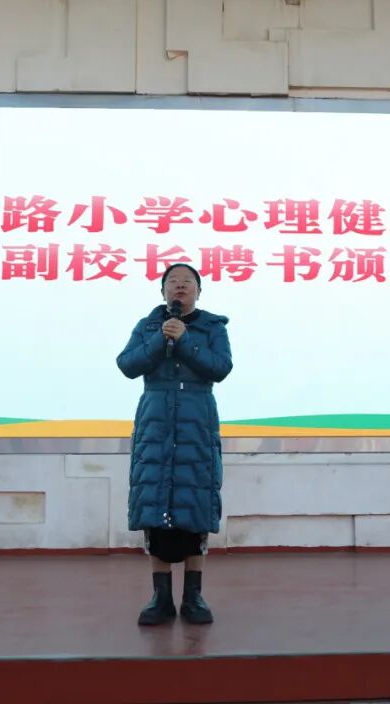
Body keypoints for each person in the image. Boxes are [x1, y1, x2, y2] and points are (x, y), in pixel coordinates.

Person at [116, 263, 233, 626]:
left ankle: (193, 596)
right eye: (172, 281)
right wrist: (159, 340)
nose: (179, 286)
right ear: (163, 290)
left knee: (195, 500)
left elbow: (220, 368)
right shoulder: (148, 325)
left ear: (199, 290)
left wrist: (186, 340)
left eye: (187, 282)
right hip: (156, 418)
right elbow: (127, 365)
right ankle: (161, 598)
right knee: (155, 500)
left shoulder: (213, 327)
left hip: (197, 418)